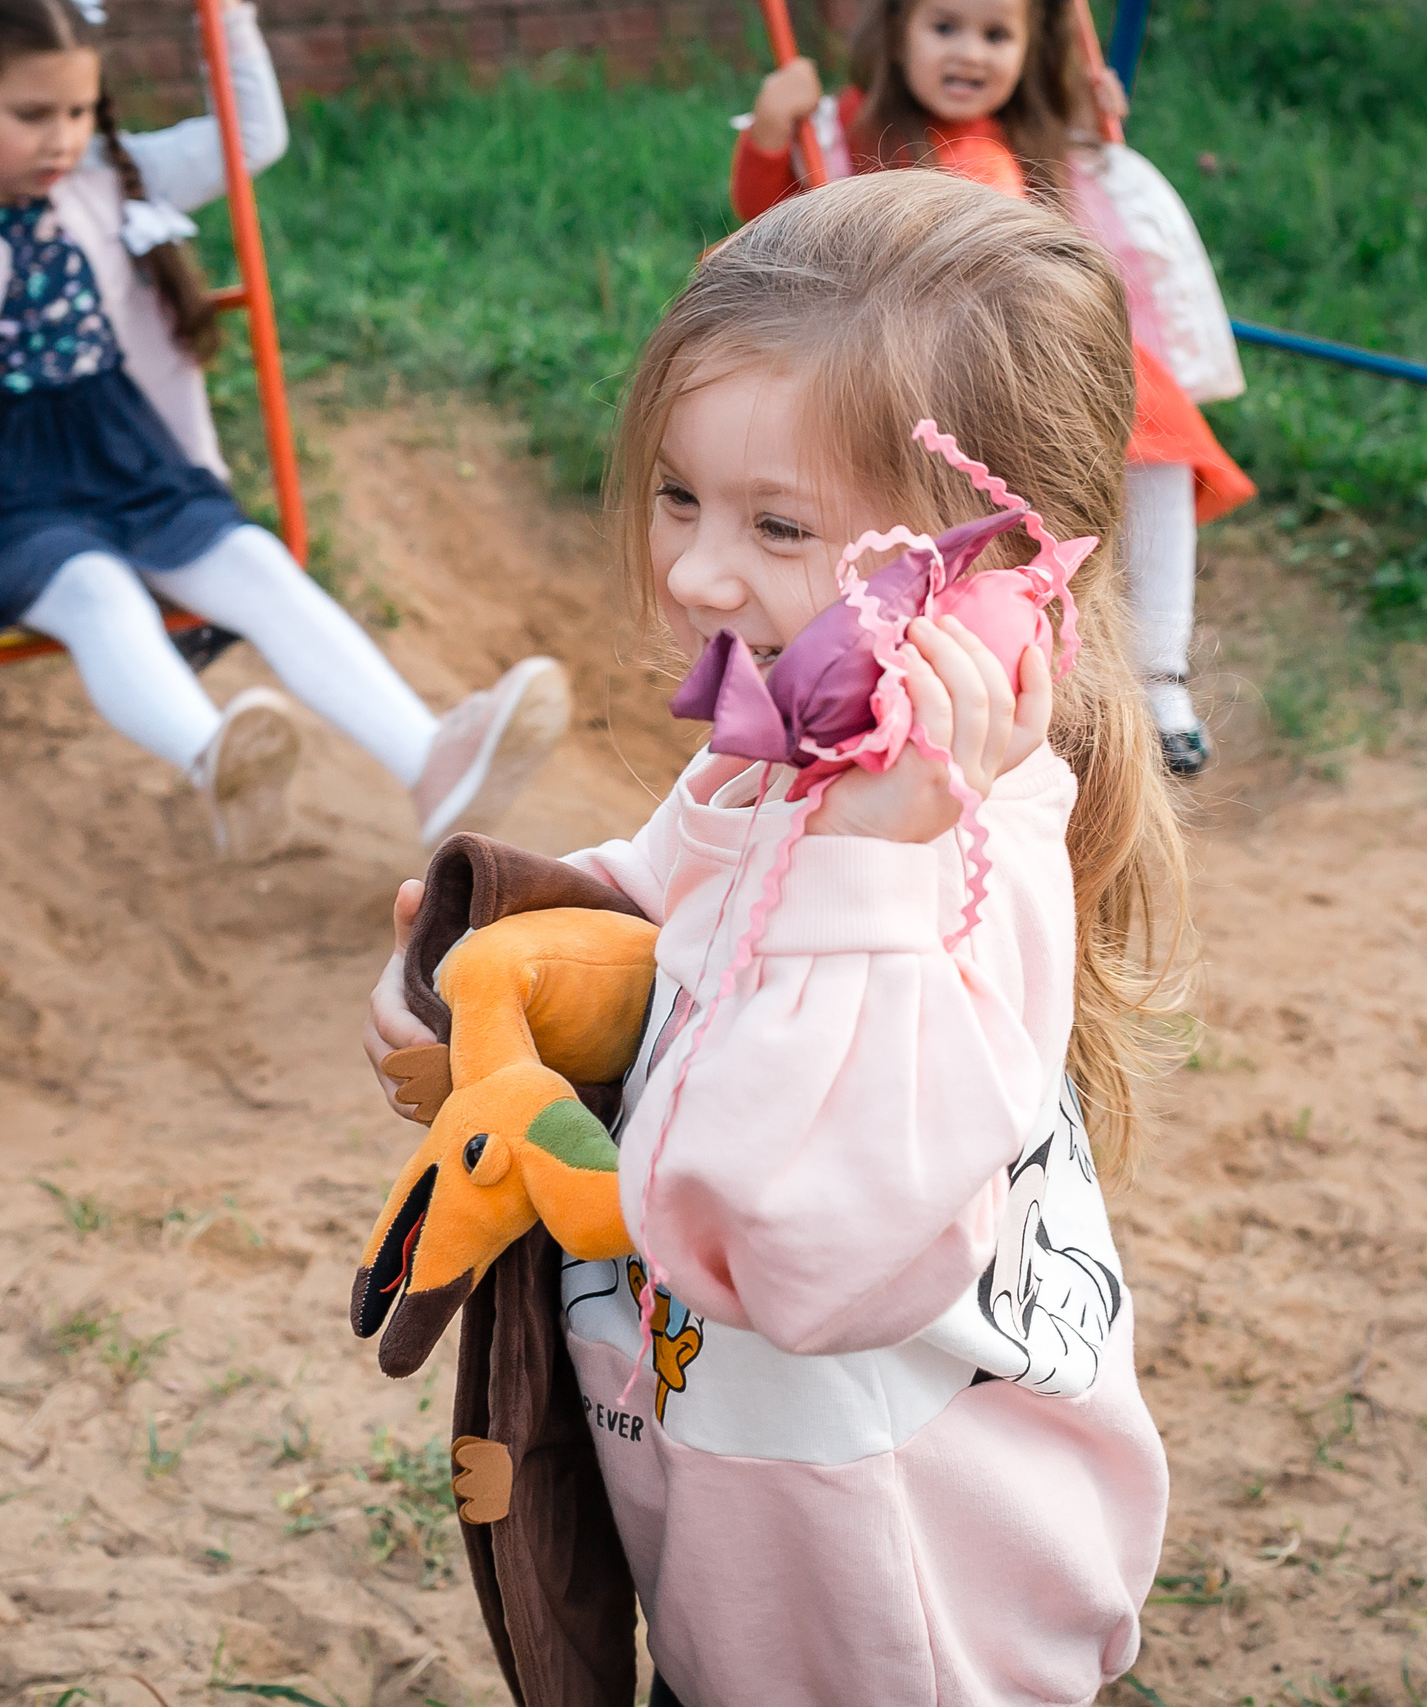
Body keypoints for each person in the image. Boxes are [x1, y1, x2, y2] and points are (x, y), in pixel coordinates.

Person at [365, 172, 1189, 1703]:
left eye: (778, 522)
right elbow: (649, 901)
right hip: (735, 1536)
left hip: (900, 1626)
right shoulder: (779, 758)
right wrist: (472, 972)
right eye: (681, 494)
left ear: (1001, 572)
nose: (693, 569)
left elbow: (806, 1252)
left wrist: (873, 868)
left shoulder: (951, 867)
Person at [0, 0, 567, 857]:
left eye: (79, 111)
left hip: (128, 459)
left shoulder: (111, 174)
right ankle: (219, 764)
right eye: (32, 114)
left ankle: (427, 760)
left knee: (254, 563)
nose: (62, 138)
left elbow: (248, 142)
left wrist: (229, 19)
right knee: (94, 589)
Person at [735, 0, 1252, 775]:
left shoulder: (1035, 137)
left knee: (1160, 432)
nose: (969, 53)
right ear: (897, 35)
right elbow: (768, 210)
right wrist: (774, 128)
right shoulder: (855, 130)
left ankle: (1159, 673)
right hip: (913, 355)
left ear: (1029, 49)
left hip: (1036, 352)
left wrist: (1093, 110)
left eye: (996, 35)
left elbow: (1087, 211)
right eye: (945, 28)